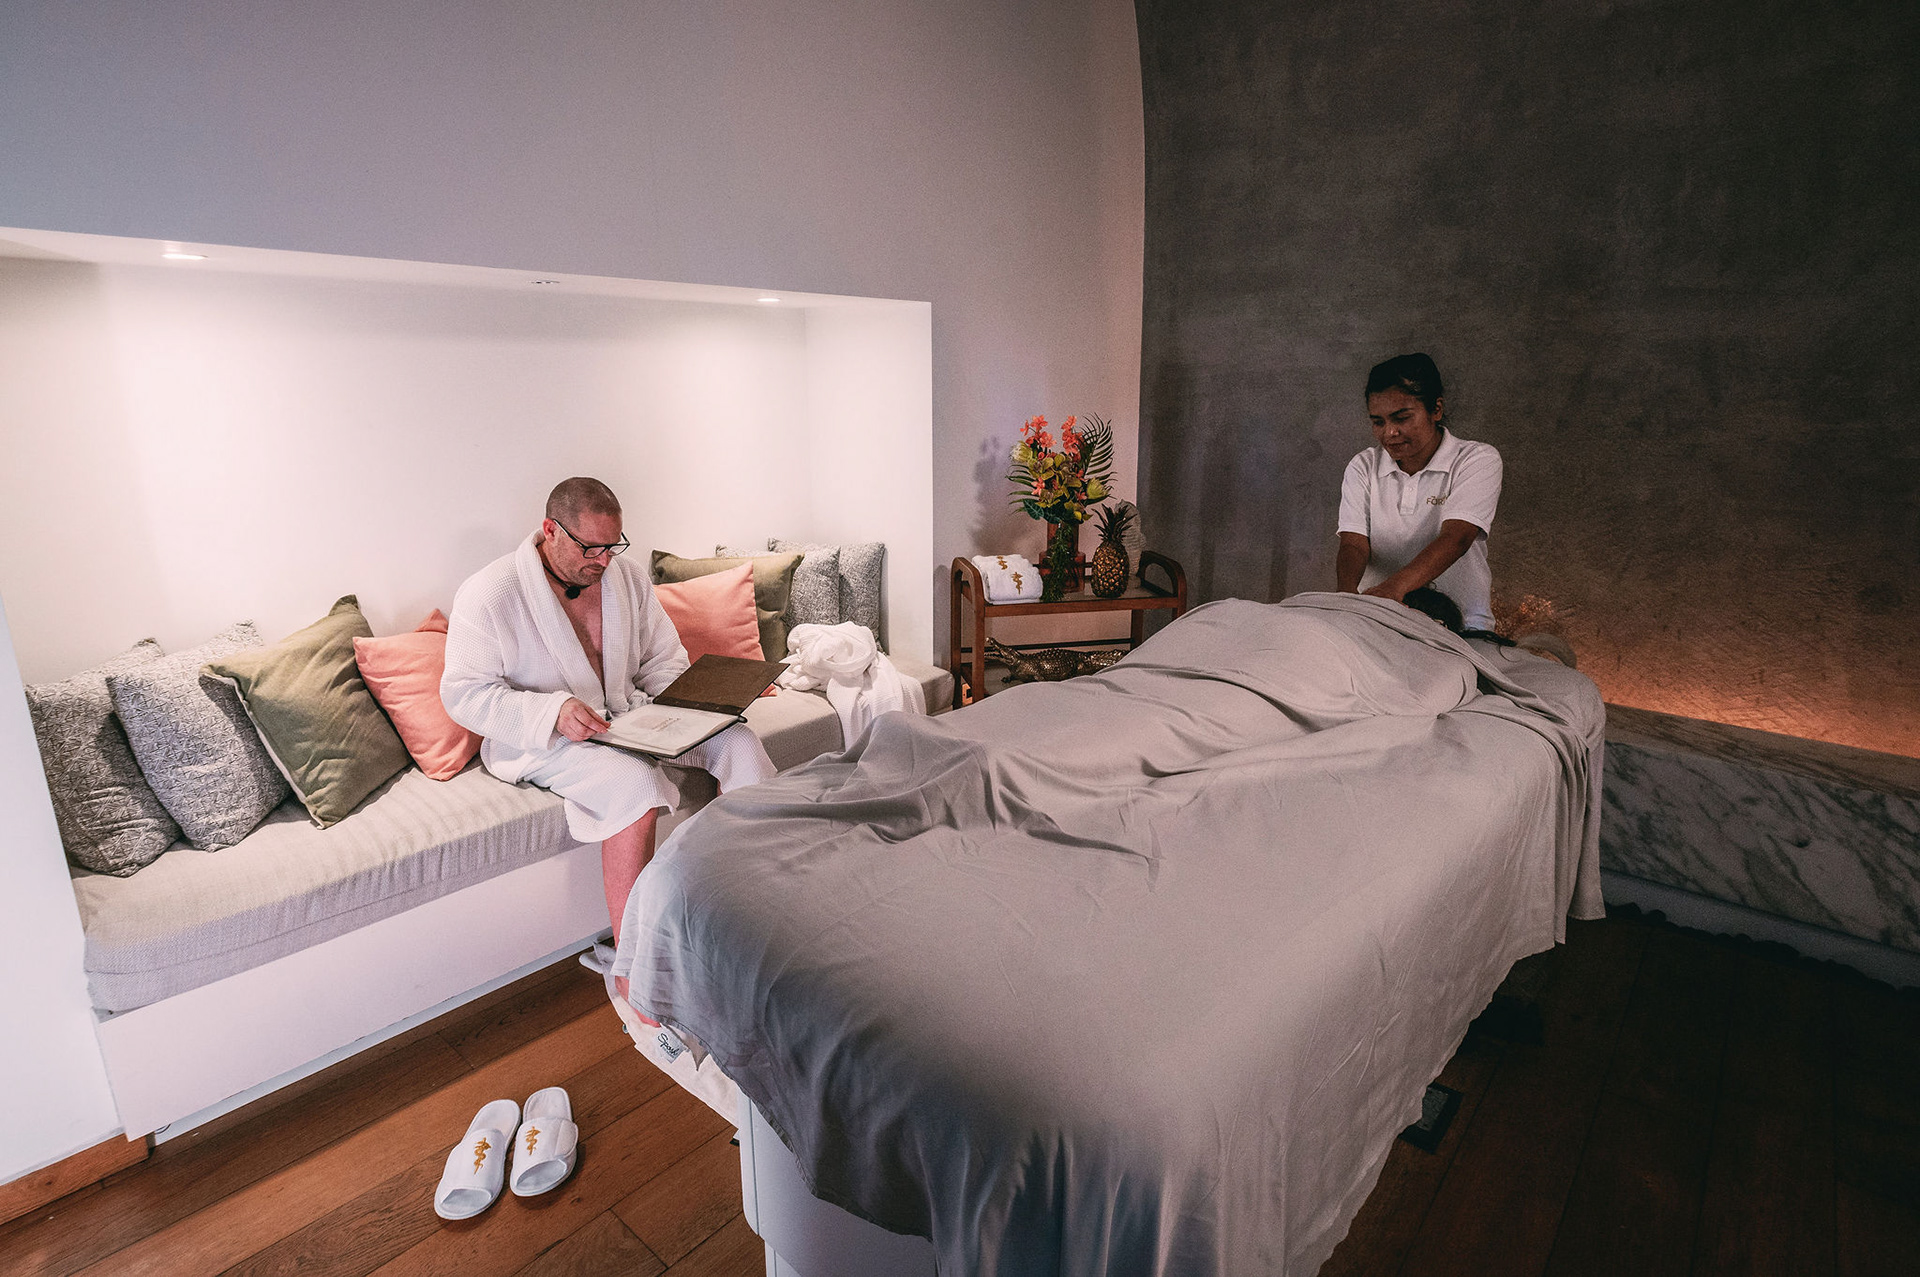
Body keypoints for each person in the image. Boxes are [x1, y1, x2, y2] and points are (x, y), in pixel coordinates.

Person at [441, 478, 776, 950]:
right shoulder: (491, 592)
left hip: (631, 716)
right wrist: (554, 711)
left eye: (613, 546)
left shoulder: (626, 576)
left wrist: (694, 703)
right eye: (590, 548)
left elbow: (661, 659)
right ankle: (632, 964)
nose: (603, 561)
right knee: (636, 784)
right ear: (551, 530)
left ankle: (746, 902)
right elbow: (464, 694)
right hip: (548, 738)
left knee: (739, 742)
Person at [1336, 352, 1503, 632]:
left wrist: (1392, 591)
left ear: (1436, 409)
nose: (1389, 433)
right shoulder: (1363, 466)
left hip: (1462, 626)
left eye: (1401, 418)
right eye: (1378, 422)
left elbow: (1457, 537)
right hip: (1378, 620)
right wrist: (1345, 598)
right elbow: (1353, 544)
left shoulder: (1476, 460)